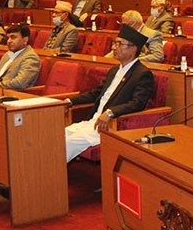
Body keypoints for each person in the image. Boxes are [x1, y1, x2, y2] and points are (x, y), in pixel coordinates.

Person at [64, 24, 154, 162]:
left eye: (119, 44)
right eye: (114, 43)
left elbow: (138, 103)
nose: (113, 48)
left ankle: (51, 179)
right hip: (92, 122)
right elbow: (96, 93)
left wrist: (112, 112)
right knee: (58, 136)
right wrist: (70, 101)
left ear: (133, 48)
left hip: (109, 126)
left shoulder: (142, 74)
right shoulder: (114, 70)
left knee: (67, 143)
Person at [0, 24, 40, 90]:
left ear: (25, 40)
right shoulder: (8, 54)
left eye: (13, 37)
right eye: (8, 38)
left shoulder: (31, 58)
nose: (9, 41)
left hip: (10, 94)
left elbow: (19, 83)